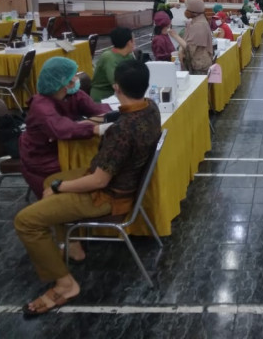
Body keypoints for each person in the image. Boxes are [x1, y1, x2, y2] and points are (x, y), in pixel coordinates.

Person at [15, 59, 162, 316]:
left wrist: (62, 187)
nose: (74, 84)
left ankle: (65, 284)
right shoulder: (151, 108)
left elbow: (99, 181)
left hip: (106, 196)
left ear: (116, 87)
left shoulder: (121, 131)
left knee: (25, 221)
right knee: (49, 181)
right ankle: (71, 245)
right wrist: (58, 185)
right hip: (118, 185)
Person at [19, 57, 111, 199]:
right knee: (91, 171)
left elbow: (96, 109)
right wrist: (95, 128)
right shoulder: (41, 106)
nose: (76, 79)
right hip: (43, 157)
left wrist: (113, 115)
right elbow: (60, 128)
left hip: (66, 146)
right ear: (63, 83)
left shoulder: (72, 94)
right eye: (72, 77)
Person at [90, 27, 135, 102]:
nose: (134, 43)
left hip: (119, 95)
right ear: (129, 42)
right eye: (133, 40)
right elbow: (117, 86)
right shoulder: (109, 57)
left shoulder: (129, 56)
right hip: (103, 98)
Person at [181, 0, 213, 74]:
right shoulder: (197, 21)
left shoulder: (198, 25)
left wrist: (175, 36)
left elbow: (189, 49)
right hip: (200, 63)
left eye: (187, 8)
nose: (185, 11)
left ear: (193, 10)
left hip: (198, 66)